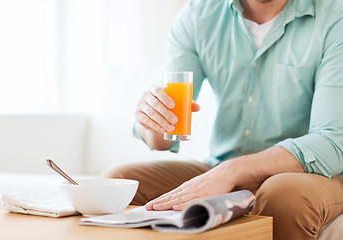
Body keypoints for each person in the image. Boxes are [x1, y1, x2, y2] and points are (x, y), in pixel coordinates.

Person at [102, 0, 343, 239]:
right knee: (118, 183)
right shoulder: (199, 14)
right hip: (221, 167)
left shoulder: (334, 16)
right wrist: (153, 118)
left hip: (312, 176)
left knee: (283, 195)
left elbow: (332, 141)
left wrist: (231, 171)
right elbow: (165, 134)